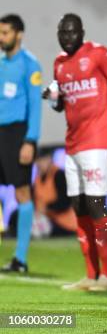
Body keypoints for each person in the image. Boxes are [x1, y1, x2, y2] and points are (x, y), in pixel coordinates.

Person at [43, 14, 107, 291]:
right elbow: (63, 105)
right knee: (78, 206)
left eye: (71, 32)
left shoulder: (98, 53)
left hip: (99, 139)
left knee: (94, 204)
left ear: (81, 32)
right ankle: (90, 275)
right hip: (73, 144)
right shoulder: (59, 63)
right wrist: (53, 99)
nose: (66, 37)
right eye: (62, 33)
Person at [0, 14, 42, 273]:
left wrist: (30, 141)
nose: (1, 37)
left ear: (19, 34)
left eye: (5, 33)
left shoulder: (30, 64)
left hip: (18, 135)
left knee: (22, 192)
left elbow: (36, 106)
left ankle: (21, 259)